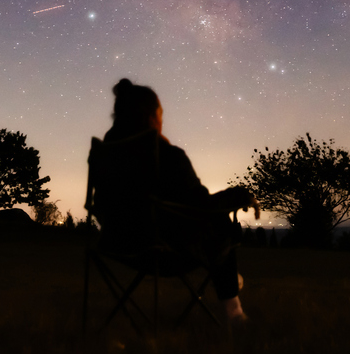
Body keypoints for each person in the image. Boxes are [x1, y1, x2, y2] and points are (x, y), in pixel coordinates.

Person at [96, 77, 258, 322]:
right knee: (220, 223)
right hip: (162, 250)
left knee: (206, 222)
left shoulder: (105, 156)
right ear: (152, 117)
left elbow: (100, 204)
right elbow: (200, 206)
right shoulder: (168, 157)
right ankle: (233, 312)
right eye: (161, 114)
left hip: (116, 243)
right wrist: (240, 195)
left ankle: (230, 286)